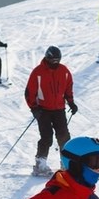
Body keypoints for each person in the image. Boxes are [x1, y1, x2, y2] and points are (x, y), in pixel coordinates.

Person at [24, 46, 77, 176]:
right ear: (47, 58)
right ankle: (40, 164)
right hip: (43, 110)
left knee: (64, 136)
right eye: (53, 60)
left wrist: (71, 102)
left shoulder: (64, 71)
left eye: (57, 60)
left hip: (59, 109)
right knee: (46, 137)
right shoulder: (38, 72)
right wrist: (34, 108)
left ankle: (66, 163)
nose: (55, 63)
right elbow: (29, 92)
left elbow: (68, 88)